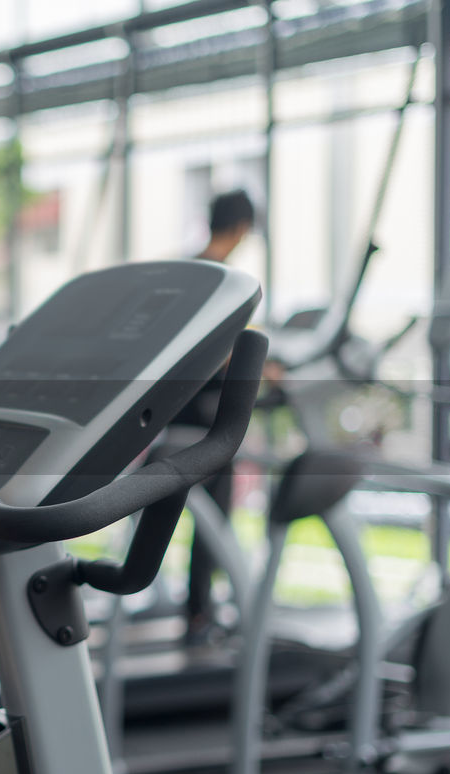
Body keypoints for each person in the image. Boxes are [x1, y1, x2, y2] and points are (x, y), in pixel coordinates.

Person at [177, 188, 255, 645]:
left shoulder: (189, 271)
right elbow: (215, 349)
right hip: (208, 417)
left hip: (179, 410)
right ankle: (198, 613)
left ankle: (197, 609)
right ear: (242, 227)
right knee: (212, 516)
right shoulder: (223, 277)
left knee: (188, 511)